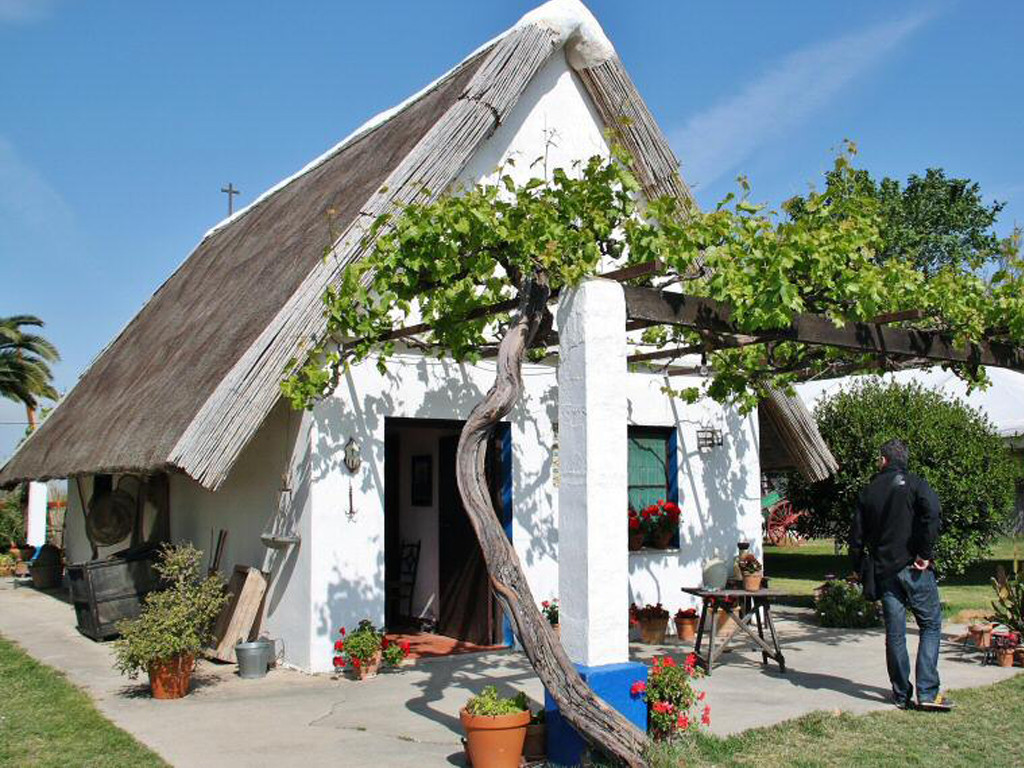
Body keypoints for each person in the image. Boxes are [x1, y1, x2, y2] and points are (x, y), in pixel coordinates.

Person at [850, 439, 950, 711]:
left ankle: (901, 694)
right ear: (903, 460)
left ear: (883, 460)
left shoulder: (869, 491)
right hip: (914, 569)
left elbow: (856, 537)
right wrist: (924, 552)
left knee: (895, 634)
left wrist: (859, 568)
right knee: (930, 626)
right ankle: (928, 692)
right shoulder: (916, 484)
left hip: (885, 572)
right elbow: (933, 513)